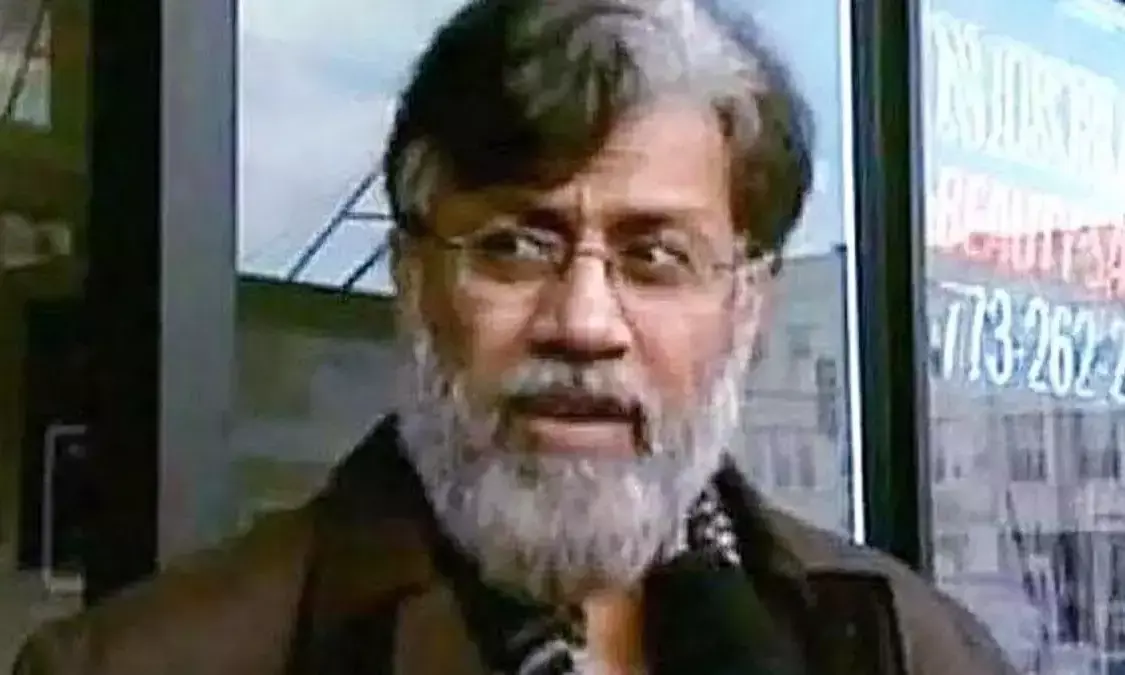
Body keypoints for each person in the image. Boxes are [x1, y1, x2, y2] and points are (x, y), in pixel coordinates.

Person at [14, 0, 1019, 673]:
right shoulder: (148, 663)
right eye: (513, 246)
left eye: (654, 257)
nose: (583, 323)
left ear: (747, 307)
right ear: (413, 277)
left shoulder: (909, 649)